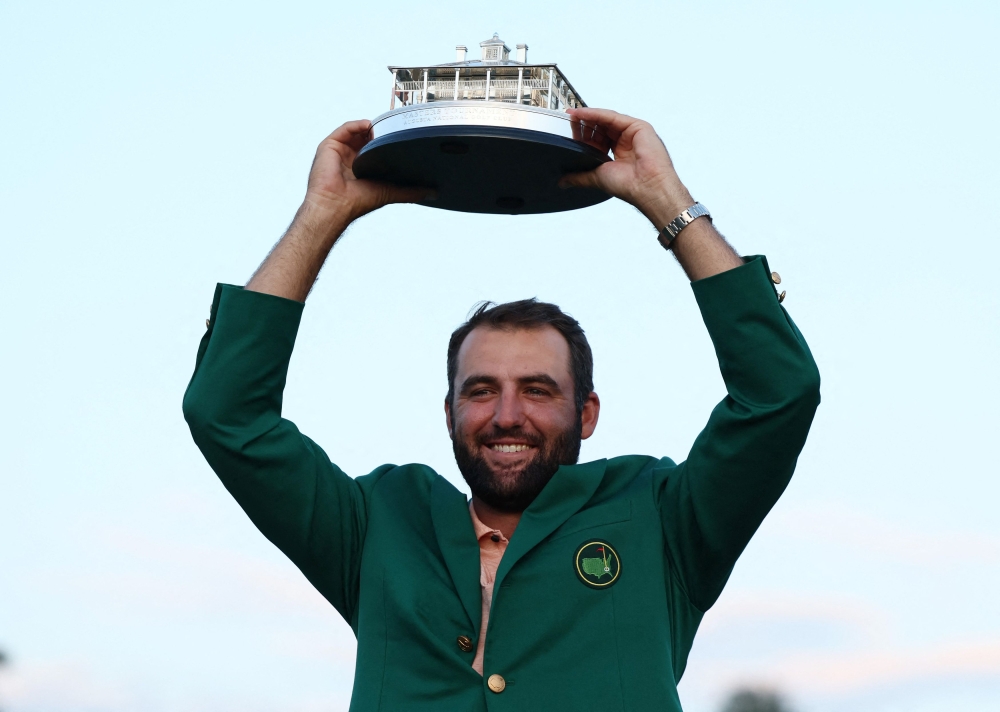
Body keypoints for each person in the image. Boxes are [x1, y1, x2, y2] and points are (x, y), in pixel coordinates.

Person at [183, 107, 820, 711]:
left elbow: (778, 394)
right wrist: (322, 214)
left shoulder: (661, 519)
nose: (507, 415)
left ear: (587, 414)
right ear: (449, 412)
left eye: (538, 390)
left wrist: (665, 199)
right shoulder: (381, 527)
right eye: (481, 390)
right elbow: (227, 414)